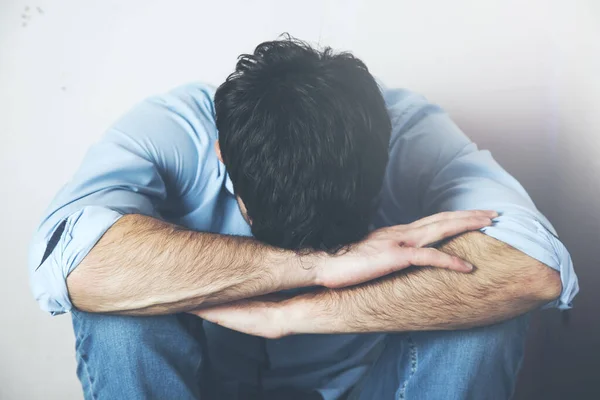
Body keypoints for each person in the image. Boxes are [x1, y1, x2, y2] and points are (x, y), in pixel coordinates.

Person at [29, 37, 578, 400]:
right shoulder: (173, 131)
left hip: (368, 385)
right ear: (222, 155)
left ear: (389, 153)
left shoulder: (410, 130)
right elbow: (74, 264)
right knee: (117, 311)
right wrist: (317, 267)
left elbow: (534, 270)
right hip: (199, 384)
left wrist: (290, 315)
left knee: (484, 315)